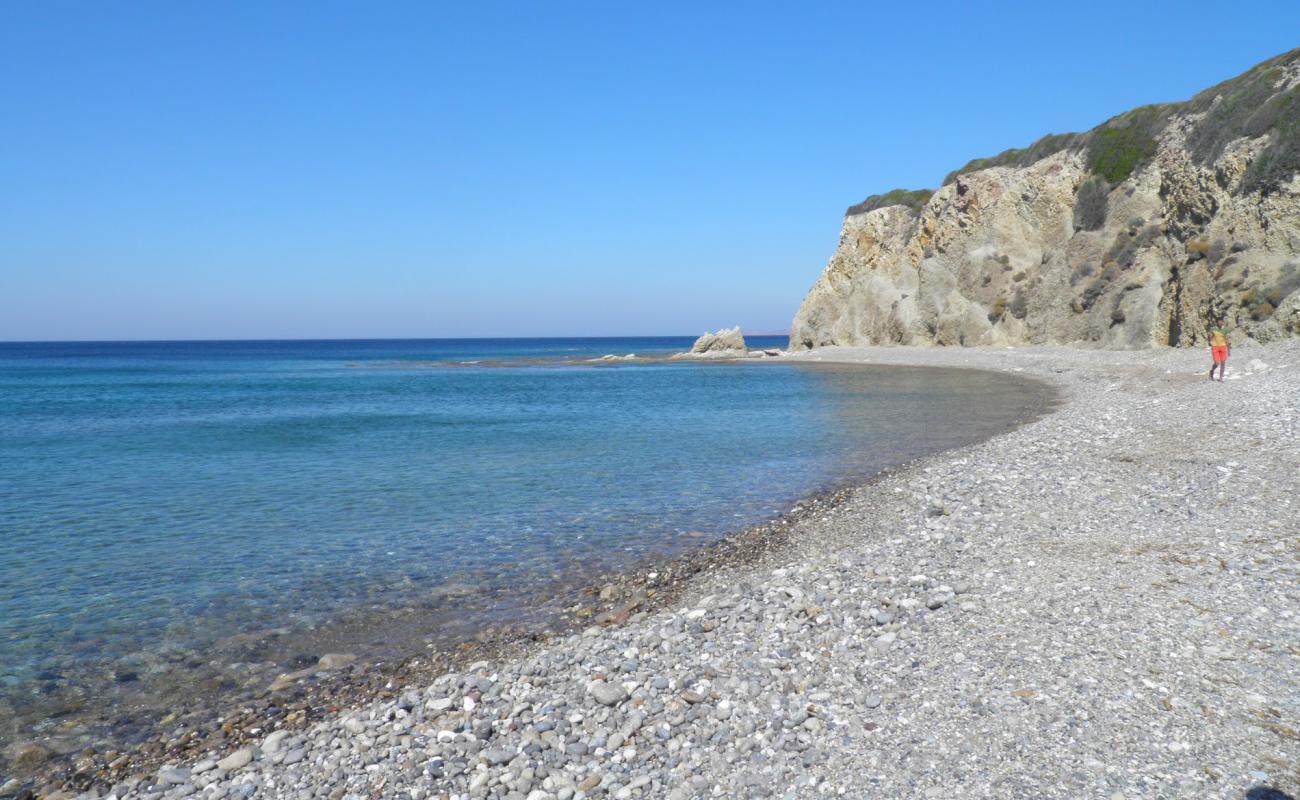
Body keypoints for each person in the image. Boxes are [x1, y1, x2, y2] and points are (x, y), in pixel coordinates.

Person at [1208, 317, 1230, 381]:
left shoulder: (1225, 330)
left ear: (1223, 322)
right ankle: (1212, 371)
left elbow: (1227, 340)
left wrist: (1228, 350)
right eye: (1219, 321)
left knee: (1223, 362)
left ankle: (1221, 378)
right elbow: (1209, 336)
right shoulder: (1213, 329)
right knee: (1216, 363)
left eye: (1221, 321)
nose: (1220, 323)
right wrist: (1210, 340)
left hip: (1223, 347)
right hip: (1215, 347)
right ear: (1217, 322)